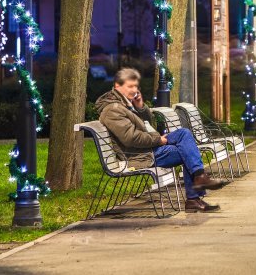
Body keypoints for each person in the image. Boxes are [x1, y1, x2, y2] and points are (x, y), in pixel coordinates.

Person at [96, 68, 227, 213]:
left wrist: (141, 107)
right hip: (140, 156)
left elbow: (149, 124)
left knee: (184, 134)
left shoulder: (125, 104)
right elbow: (131, 138)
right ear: (117, 86)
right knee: (187, 152)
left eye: (136, 86)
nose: (134, 90)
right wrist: (158, 140)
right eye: (130, 86)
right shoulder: (113, 110)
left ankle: (198, 182)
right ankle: (195, 193)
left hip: (147, 149)